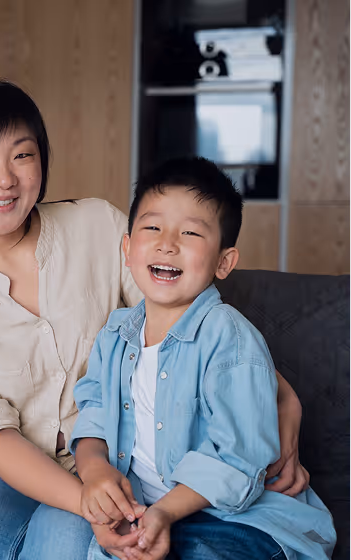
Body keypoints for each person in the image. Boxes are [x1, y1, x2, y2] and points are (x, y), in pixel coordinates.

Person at [0, 79, 311, 560]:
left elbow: (189, 322)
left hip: (119, 460)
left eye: (22, 155)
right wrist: (84, 495)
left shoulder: (96, 224)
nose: (5, 178)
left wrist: (285, 404)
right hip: (5, 474)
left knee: (62, 547)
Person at [70, 157, 336, 560]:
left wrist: (162, 513)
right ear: (127, 249)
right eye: (152, 227)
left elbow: (237, 459)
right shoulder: (115, 333)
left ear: (224, 262)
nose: (167, 243)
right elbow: (93, 411)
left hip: (241, 521)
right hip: (154, 512)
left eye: (191, 232)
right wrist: (94, 470)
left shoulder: (230, 339)